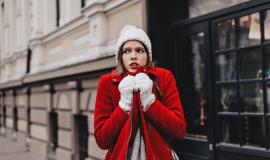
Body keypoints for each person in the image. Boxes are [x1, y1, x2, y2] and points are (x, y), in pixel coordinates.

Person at [94, 24, 186, 160]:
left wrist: (150, 101)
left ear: (147, 55)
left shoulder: (164, 77)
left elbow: (179, 130)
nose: (133, 56)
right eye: (126, 51)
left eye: (139, 50)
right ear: (120, 56)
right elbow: (102, 140)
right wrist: (123, 106)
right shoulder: (107, 82)